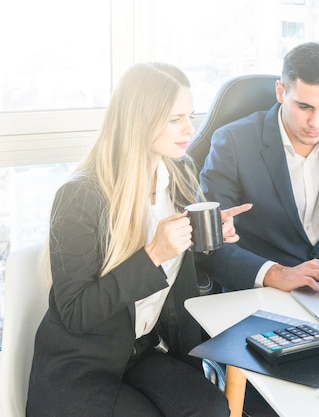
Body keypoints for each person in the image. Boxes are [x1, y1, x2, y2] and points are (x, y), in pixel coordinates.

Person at [27, 62, 251, 417]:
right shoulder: (80, 196)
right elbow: (75, 312)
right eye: (175, 119)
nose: (190, 129)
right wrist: (153, 255)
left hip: (141, 351)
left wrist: (207, 237)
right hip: (82, 366)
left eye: (189, 115)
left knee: (210, 407)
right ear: (141, 120)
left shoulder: (179, 173)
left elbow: (182, 267)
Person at [199, 42, 319, 293]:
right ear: (281, 92)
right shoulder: (233, 142)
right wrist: (275, 274)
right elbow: (212, 244)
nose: (317, 121)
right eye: (304, 107)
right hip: (261, 293)